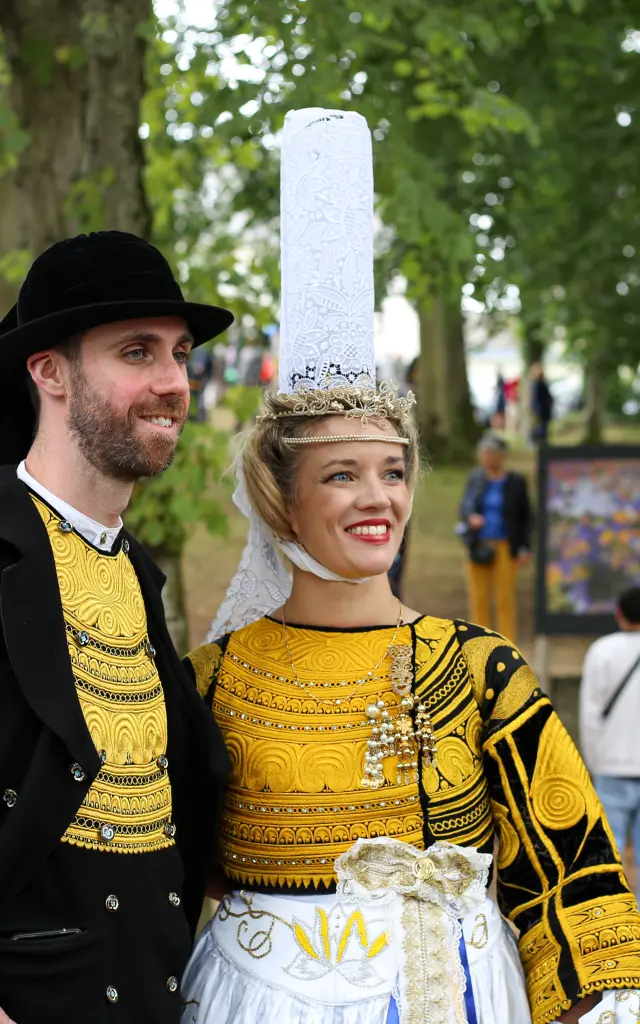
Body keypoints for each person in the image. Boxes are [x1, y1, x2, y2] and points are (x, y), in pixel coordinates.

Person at [180, 109, 640, 1024]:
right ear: (283, 500)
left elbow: (570, 864)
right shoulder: (215, 678)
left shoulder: (476, 670)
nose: (377, 499)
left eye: (393, 472)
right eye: (341, 474)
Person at [0, 231, 232, 1024]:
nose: (173, 383)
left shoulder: (136, 571)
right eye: (138, 353)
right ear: (49, 370)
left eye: (180, 354)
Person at [580, 586, 640, 900]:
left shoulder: (602, 650)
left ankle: (613, 925)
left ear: (619, 614)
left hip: (612, 768)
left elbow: (590, 715)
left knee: (607, 854)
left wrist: (594, 763)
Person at [458, 434, 532, 642]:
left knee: (504, 598)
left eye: (492, 454)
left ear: (502, 456)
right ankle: (480, 644)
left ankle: (506, 644)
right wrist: (470, 517)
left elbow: (526, 516)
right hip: (478, 544)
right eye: (485, 454)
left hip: (505, 546)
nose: (488, 458)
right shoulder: (475, 479)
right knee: (478, 598)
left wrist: (524, 547)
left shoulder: (516, 482)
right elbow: (464, 506)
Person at [530, 361, 554, 444]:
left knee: (543, 426)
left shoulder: (541, 383)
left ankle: (539, 440)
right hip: (541, 409)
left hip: (544, 409)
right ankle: (535, 439)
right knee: (541, 427)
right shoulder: (537, 384)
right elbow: (537, 398)